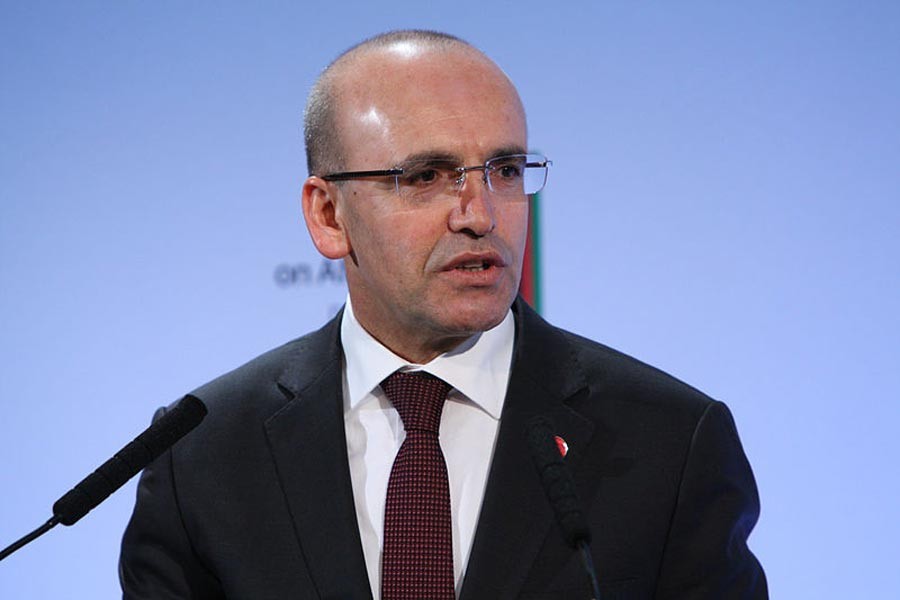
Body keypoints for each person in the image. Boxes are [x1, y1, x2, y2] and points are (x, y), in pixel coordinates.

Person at [120, 30, 767, 599]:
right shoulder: (202, 454)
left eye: (505, 170)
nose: (480, 215)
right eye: (427, 176)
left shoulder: (671, 442)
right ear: (328, 215)